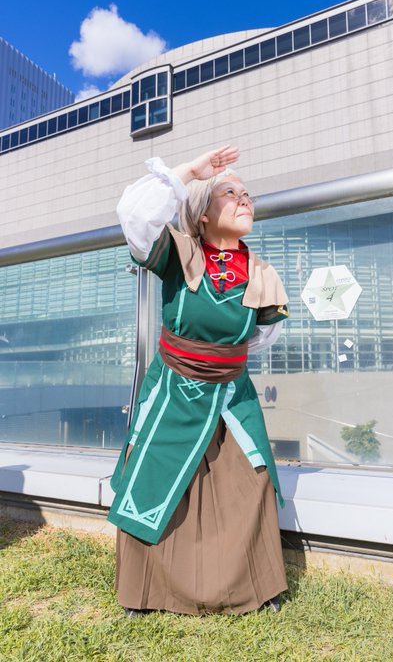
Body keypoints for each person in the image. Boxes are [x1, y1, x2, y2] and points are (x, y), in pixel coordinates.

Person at [108, 145, 290, 616]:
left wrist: (220, 363)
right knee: (154, 477)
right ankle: (148, 590)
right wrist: (190, 172)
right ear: (203, 213)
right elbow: (135, 216)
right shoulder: (179, 252)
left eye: (247, 195)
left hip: (231, 394)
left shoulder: (263, 274)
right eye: (230, 193)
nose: (244, 200)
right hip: (174, 389)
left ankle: (251, 584)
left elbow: (260, 338)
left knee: (251, 479)